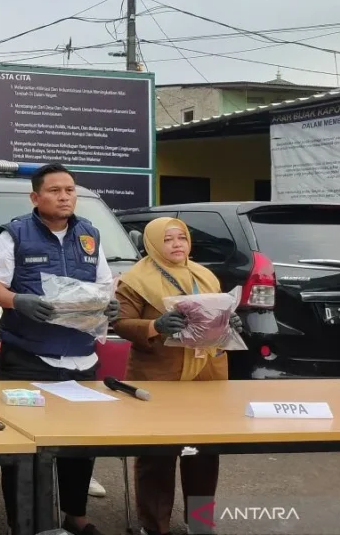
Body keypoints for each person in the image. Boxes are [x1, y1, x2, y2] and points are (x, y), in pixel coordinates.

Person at [0, 163, 119, 535]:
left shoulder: (90, 234)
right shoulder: (15, 234)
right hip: (29, 358)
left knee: (79, 445)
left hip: (82, 358)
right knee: (24, 446)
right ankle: (22, 522)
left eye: (69, 190)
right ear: (35, 197)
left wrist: (110, 305)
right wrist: (17, 301)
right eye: (55, 191)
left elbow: (105, 285)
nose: (64, 197)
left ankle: (75, 515)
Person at [113, 218, 239, 535]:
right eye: (167, 239)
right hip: (159, 377)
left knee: (203, 452)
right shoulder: (135, 280)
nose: (176, 244)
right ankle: (155, 526)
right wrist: (154, 326)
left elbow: (217, 316)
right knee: (158, 454)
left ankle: (200, 522)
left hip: (206, 376)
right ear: (153, 244)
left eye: (181, 237)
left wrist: (230, 322)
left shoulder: (205, 275)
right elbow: (121, 323)